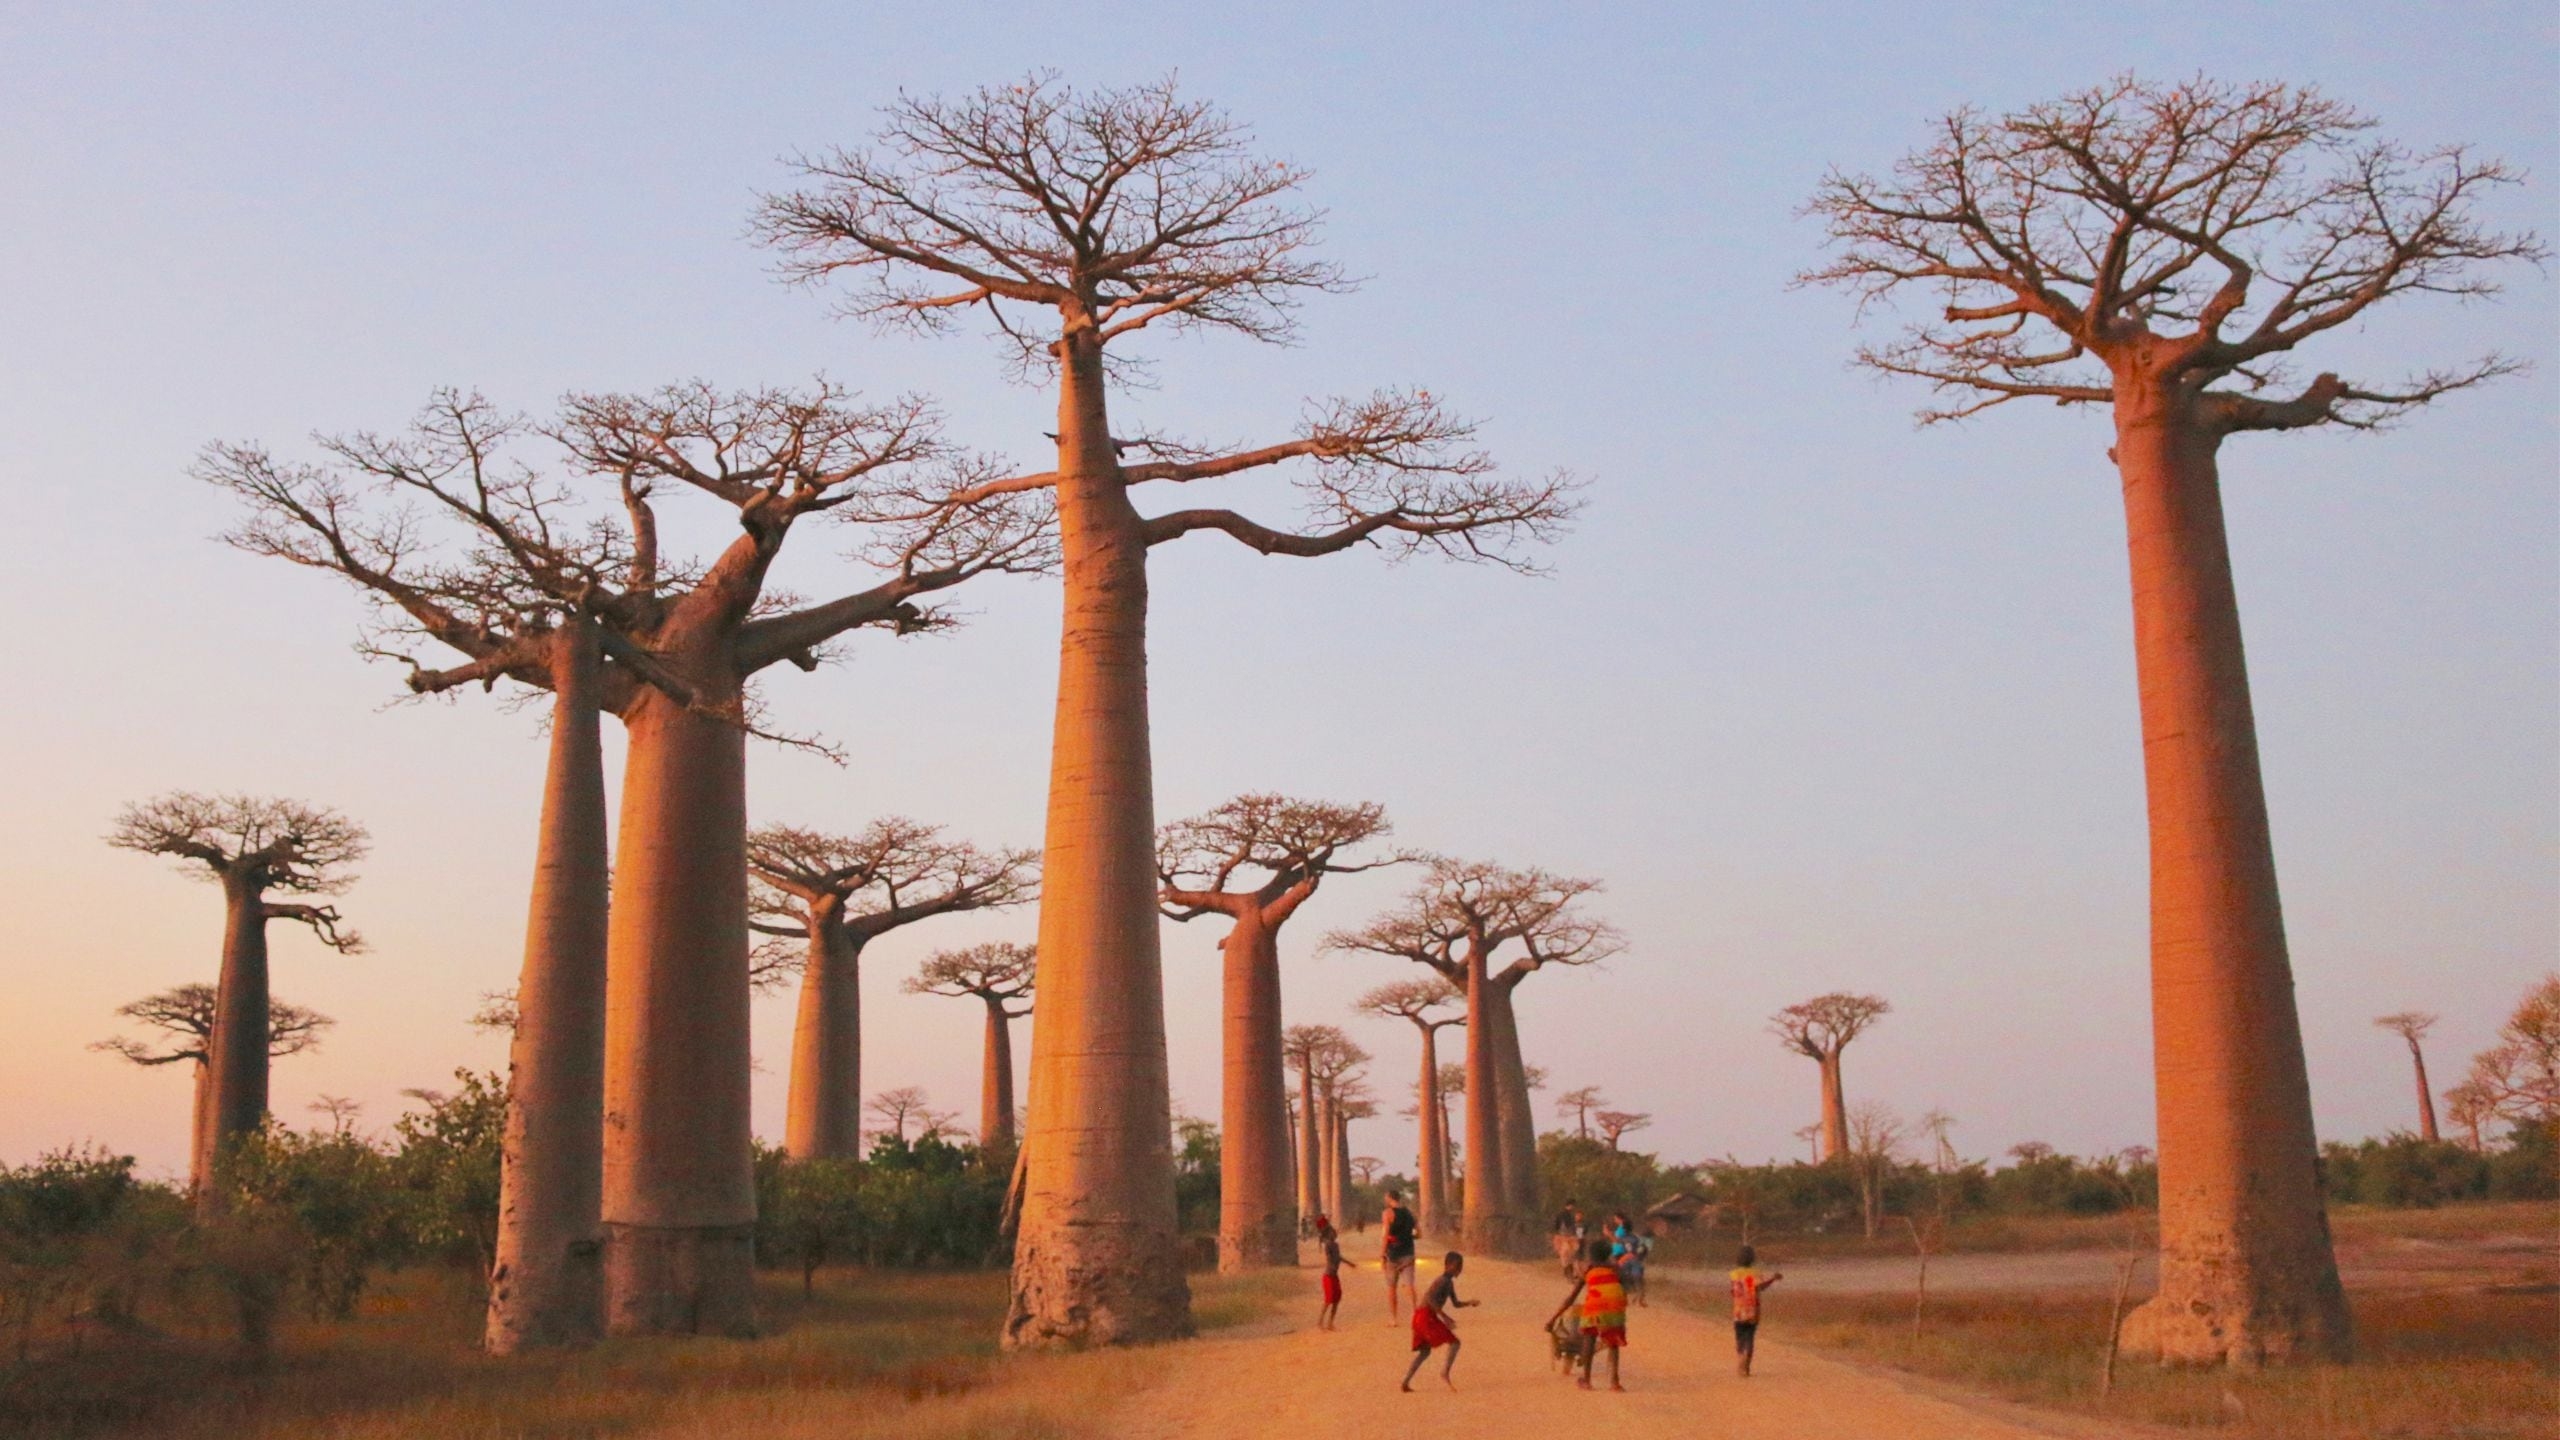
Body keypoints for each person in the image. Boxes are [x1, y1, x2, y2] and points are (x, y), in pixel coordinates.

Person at [1547, 1238, 1628, 1391]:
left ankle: (1586, 1380)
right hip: (1616, 1306)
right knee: (1613, 1343)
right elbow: (1622, 1288)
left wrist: (1553, 1319)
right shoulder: (1616, 1269)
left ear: (1591, 1256)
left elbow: (1570, 1299)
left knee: (1588, 1339)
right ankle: (1615, 1383)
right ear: (1608, 1255)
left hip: (1596, 1306)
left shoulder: (1588, 1271)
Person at [1399, 1251, 1478, 1391]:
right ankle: (1445, 1373)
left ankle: (1405, 1381)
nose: (1459, 1269)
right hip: (1425, 1316)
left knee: (1425, 1352)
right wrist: (1444, 1316)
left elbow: (1456, 1303)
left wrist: (1469, 1303)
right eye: (1457, 1265)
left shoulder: (1449, 1283)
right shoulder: (1442, 1281)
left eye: (1461, 1266)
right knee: (1455, 1343)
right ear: (1448, 1265)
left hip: (1420, 1316)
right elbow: (1429, 1298)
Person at [1730, 1244, 1785, 1377]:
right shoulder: (1755, 1274)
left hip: (1738, 1310)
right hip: (1753, 1309)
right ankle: (1746, 1365)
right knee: (1750, 1336)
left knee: (1739, 1337)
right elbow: (1760, 1287)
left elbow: (1734, 1291)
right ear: (1752, 1258)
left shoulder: (1734, 1274)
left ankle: (1741, 1356)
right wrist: (1772, 1278)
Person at [1380, 1191, 1419, 1322]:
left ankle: (1393, 1319)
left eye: (1386, 1197)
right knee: (1410, 1285)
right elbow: (1419, 1234)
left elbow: (1385, 1235)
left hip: (1393, 1255)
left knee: (1391, 1287)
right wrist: (1407, 1237)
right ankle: (1415, 1314)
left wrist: (1382, 1255)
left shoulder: (1387, 1213)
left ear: (1390, 1198)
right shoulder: (1410, 1213)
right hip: (1408, 1253)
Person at [1608, 1213, 1649, 1307]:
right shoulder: (1632, 1238)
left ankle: (1634, 1297)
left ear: (1625, 1229)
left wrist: (1621, 1259)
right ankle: (1638, 1297)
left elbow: (1632, 1252)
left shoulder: (1630, 1239)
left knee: (1625, 1276)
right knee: (1636, 1278)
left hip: (1631, 1260)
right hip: (1632, 1260)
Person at [1314, 1215, 1345, 1331]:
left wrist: (1349, 1263)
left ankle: (1330, 1323)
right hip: (1329, 1275)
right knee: (1328, 1300)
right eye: (1332, 1232)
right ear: (1329, 1234)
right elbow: (1332, 1258)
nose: (1334, 1233)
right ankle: (1320, 1322)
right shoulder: (1328, 1245)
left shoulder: (1335, 1245)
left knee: (1336, 1299)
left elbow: (1338, 1257)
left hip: (1333, 1275)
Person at [1551, 1199, 1585, 1276]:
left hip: (1566, 1237)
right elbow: (1568, 1227)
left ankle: (1570, 1271)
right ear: (1570, 1205)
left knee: (1567, 1255)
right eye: (1572, 1205)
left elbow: (1556, 1227)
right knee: (1569, 1254)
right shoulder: (1567, 1216)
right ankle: (1570, 1272)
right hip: (1566, 1237)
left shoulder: (1566, 1215)